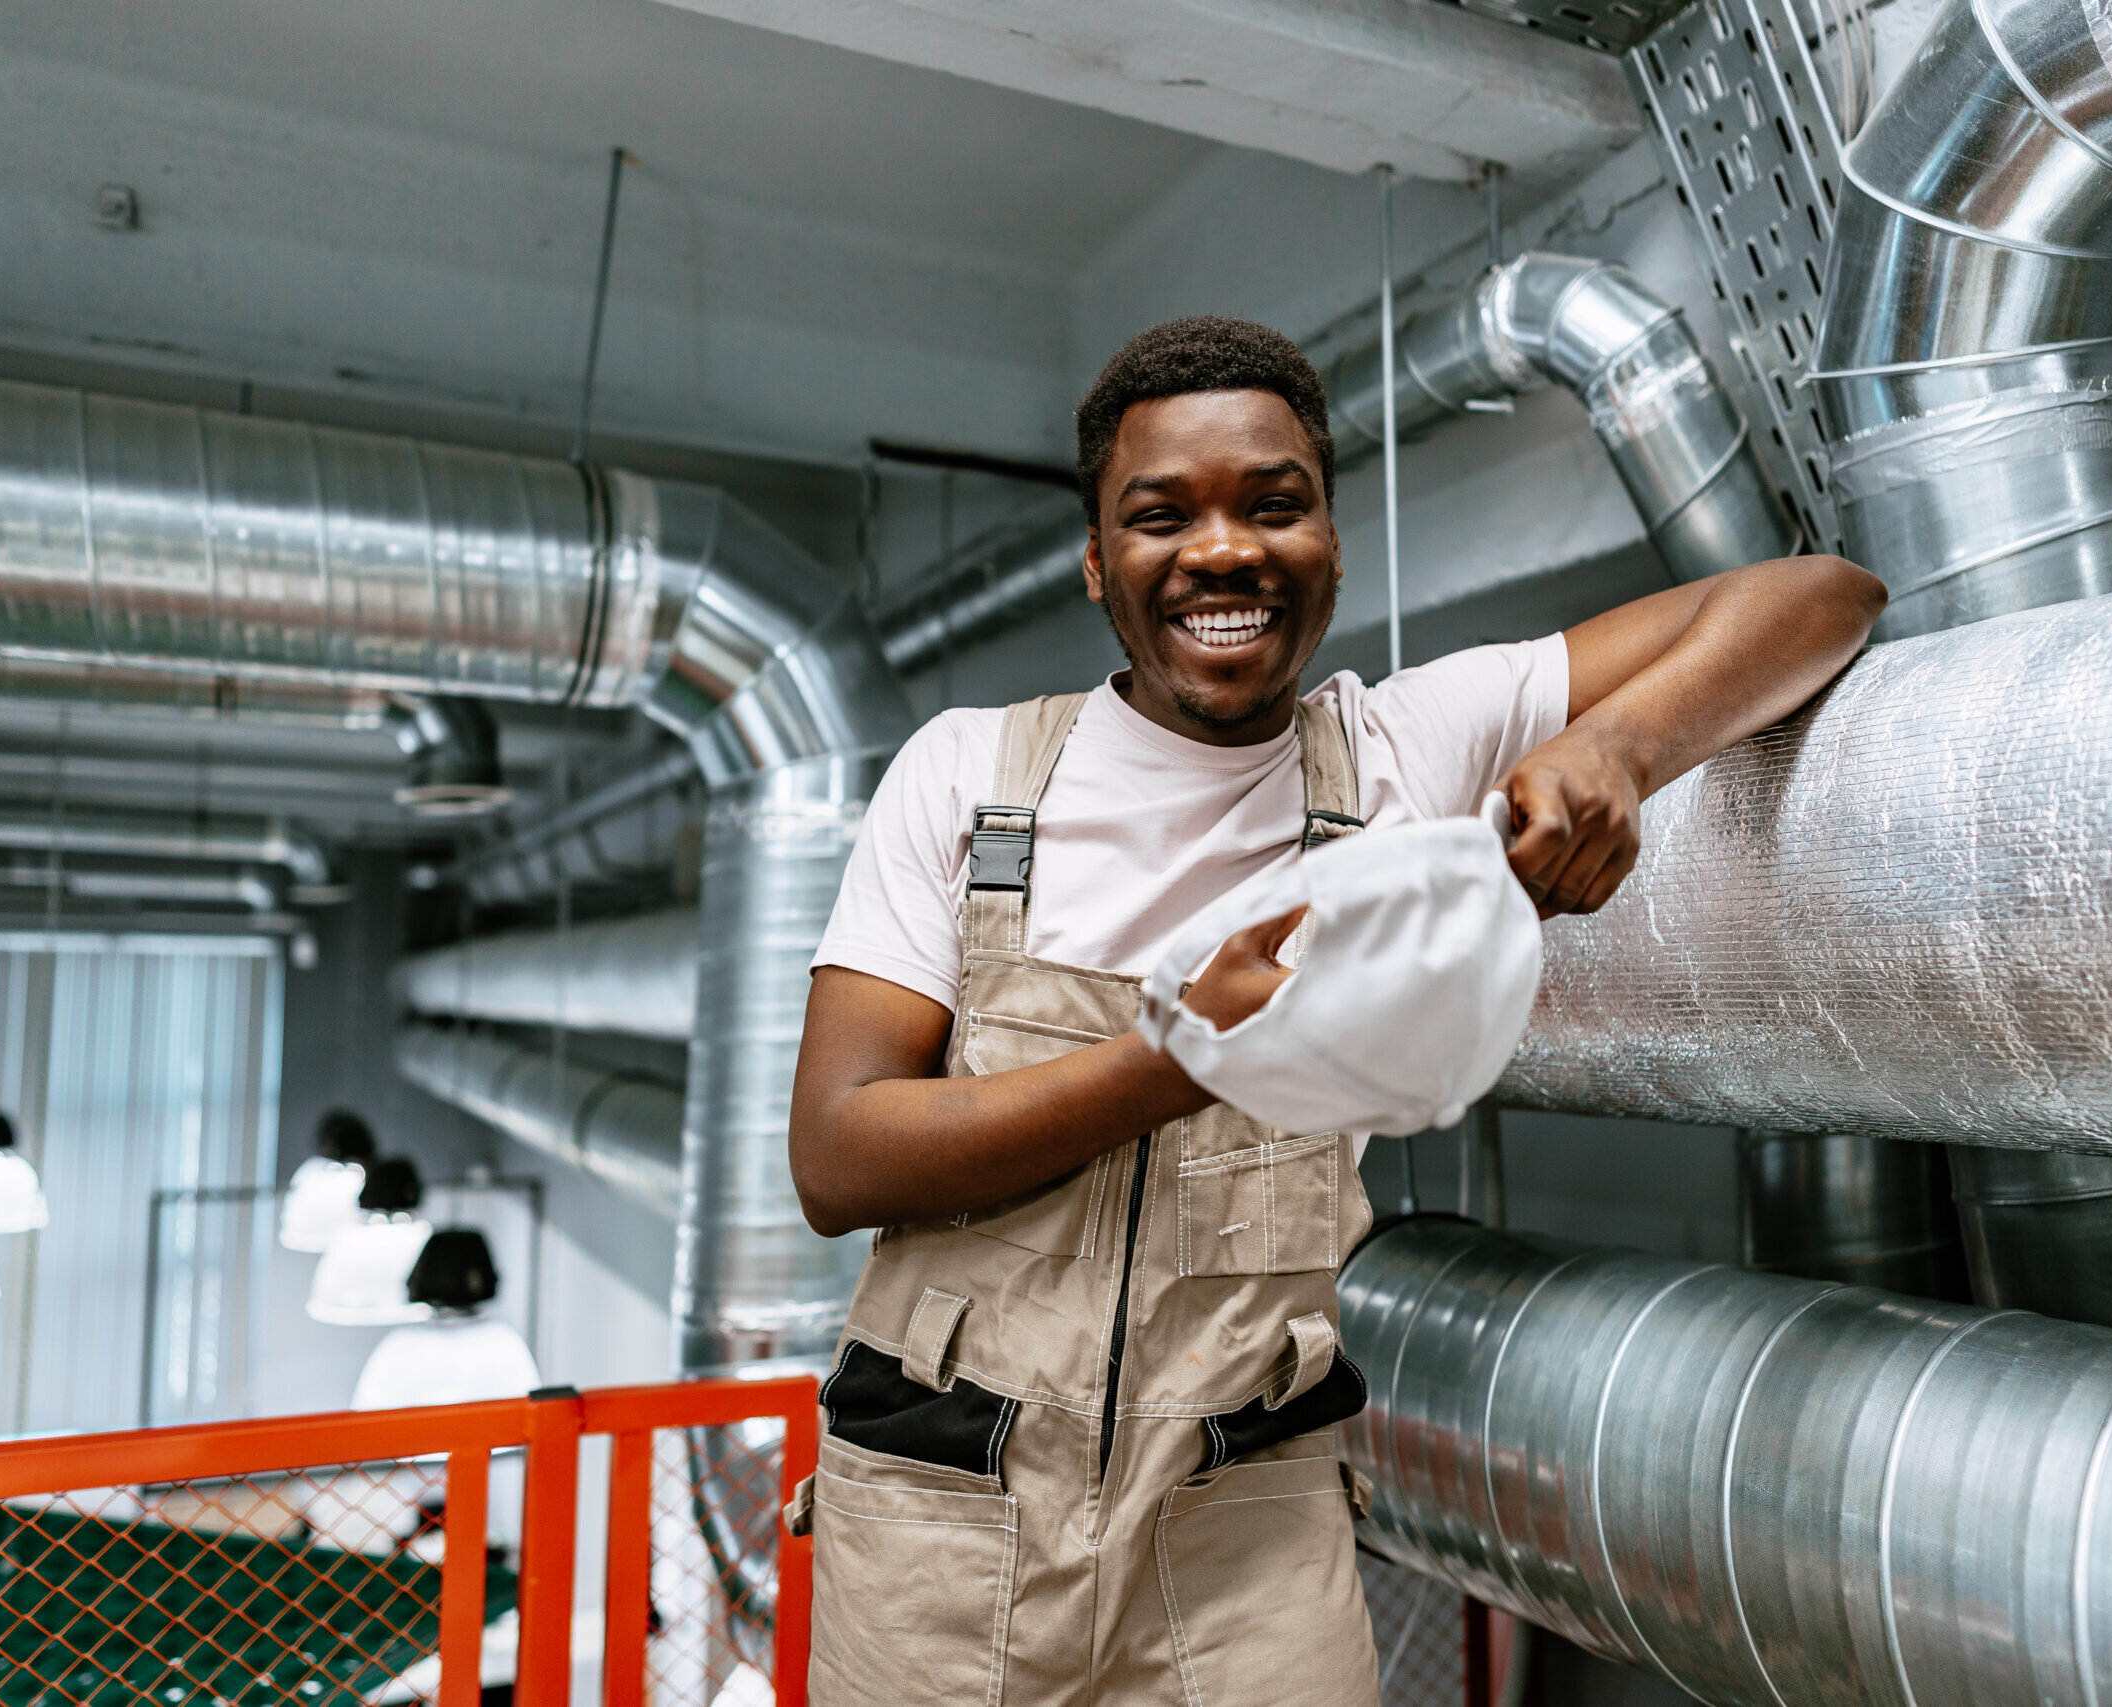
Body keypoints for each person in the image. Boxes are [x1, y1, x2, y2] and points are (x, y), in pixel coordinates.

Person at [787, 315, 1884, 1705]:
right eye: (1160, 516)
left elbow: (1824, 595)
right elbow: (840, 1157)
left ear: (1332, 543)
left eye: (1273, 504)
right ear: (1096, 562)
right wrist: (1182, 1058)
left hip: (1246, 1537)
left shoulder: (1404, 749)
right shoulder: (969, 778)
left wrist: (1617, 742)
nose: (1223, 551)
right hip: (946, 1527)